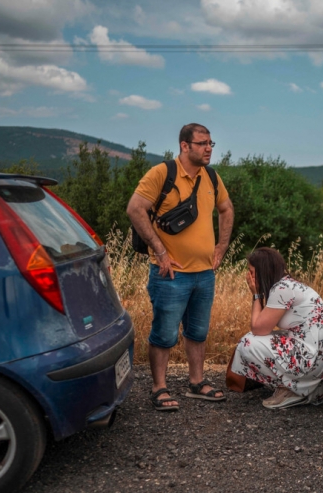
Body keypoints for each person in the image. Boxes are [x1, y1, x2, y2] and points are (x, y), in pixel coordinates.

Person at [127, 123, 234, 412]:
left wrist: (221, 247)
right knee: (164, 334)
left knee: (197, 332)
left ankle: (197, 383)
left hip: (204, 273)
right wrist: (159, 251)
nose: (209, 148)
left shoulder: (211, 176)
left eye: (211, 143)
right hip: (170, 274)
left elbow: (227, 209)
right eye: (202, 143)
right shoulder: (162, 173)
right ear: (185, 146)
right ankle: (159, 388)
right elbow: (135, 208)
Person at [231, 247, 323, 409]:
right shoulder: (288, 285)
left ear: (262, 271)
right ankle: (305, 386)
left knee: (247, 343)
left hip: (310, 360)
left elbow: (258, 329)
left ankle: (290, 390)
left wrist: (256, 294)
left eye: (251, 271)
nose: (248, 277)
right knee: (260, 339)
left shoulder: (282, 289)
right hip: (318, 357)